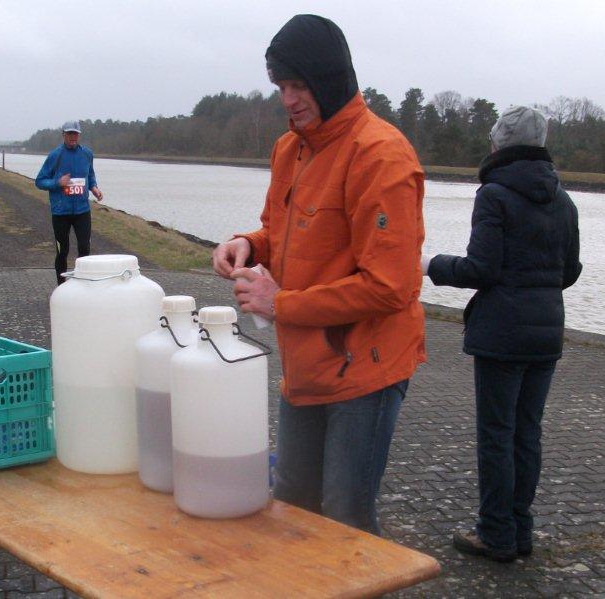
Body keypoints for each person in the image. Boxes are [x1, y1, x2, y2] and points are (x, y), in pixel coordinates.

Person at [212, 14, 426, 535]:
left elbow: (391, 286)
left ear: (330, 78)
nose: (288, 99)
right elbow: (280, 231)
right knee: (292, 505)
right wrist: (249, 244)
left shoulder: (382, 156)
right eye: (281, 86)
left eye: (299, 85)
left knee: (345, 516)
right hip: (305, 366)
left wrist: (279, 303)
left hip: (366, 370)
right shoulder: (290, 148)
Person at [422, 106, 582, 562]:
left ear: (499, 144)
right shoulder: (564, 201)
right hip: (546, 333)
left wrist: (430, 265)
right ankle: (520, 531)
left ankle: (495, 534)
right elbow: (569, 271)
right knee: (527, 434)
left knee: (497, 435)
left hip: (503, 335)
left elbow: (481, 269)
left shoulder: (494, 195)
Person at [35, 121, 103, 284]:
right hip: (61, 213)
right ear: (63, 135)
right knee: (62, 251)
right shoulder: (55, 156)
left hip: (82, 211)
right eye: (70, 134)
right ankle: (61, 287)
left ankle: (83, 285)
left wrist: (94, 187)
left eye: (75, 134)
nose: (73, 137)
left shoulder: (87, 154)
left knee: (84, 249)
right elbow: (40, 181)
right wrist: (57, 183)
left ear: (79, 135)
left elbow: (90, 174)